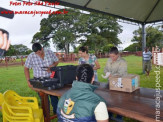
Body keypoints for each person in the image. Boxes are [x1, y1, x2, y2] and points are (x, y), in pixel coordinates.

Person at [24, 43, 59, 114]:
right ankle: (46, 115)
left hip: (51, 78)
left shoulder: (49, 52)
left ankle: (57, 112)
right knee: (43, 98)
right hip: (38, 80)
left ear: (42, 48)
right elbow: (26, 68)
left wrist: (52, 66)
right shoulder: (31, 56)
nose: (38, 54)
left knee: (54, 96)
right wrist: (28, 81)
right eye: (36, 53)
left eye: (39, 52)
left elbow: (56, 61)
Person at [103, 47, 127, 122]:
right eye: (110, 56)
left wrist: (111, 75)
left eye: (113, 56)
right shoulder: (109, 60)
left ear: (118, 55)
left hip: (120, 82)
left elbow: (121, 73)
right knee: (109, 98)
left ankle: (119, 116)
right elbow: (105, 69)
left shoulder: (122, 62)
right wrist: (107, 73)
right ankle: (109, 113)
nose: (111, 58)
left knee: (119, 100)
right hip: (110, 81)